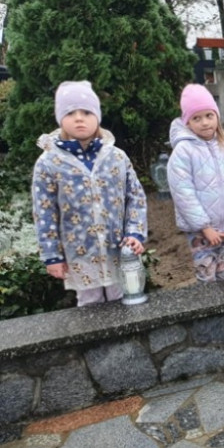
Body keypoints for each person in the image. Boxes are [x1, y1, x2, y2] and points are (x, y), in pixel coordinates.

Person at [32, 81, 147, 305]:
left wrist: (135, 233)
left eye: (86, 112)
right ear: (60, 118)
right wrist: (51, 255)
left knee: (126, 299)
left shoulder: (116, 158)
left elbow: (135, 197)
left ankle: (129, 341)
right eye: (70, 112)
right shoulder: (48, 163)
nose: (79, 118)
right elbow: (44, 211)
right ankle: (99, 341)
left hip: (119, 251)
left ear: (97, 116)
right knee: (90, 307)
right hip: (80, 254)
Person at [167, 84, 224, 282]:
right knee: (207, 275)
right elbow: (183, 193)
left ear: (216, 116)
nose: (205, 123)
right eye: (197, 118)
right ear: (187, 122)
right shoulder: (183, 151)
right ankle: (212, 313)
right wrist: (205, 227)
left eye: (209, 116)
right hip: (201, 231)